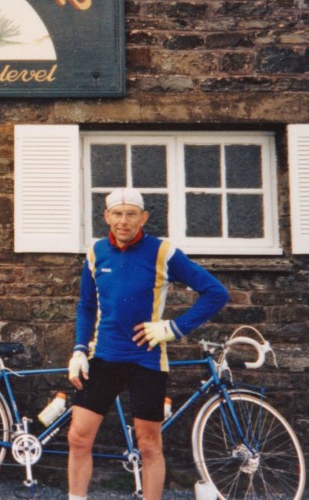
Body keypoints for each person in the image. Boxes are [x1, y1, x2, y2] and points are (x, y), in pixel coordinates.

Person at [67, 189, 229, 500]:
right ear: (106, 217)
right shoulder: (96, 252)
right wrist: (78, 349)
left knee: (149, 444)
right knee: (78, 438)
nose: (123, 221)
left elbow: (216, 293)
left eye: (131, 214)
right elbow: (86, 306)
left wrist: (174, 327)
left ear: (144, 218)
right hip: (103, 357)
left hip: (147, 361)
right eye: (117, 214)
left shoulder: (163, 251)